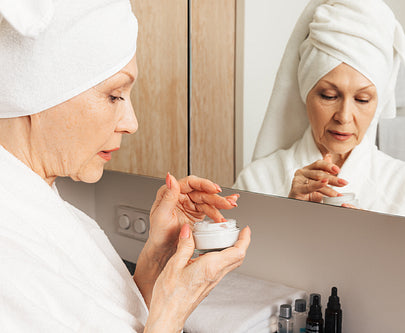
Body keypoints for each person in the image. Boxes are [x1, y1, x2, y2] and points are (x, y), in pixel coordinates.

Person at [0, 1, 250, 332]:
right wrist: (172, 314)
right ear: (39, 92)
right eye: (115, 95)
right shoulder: (10, 259)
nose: (131, 123)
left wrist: (155, 260)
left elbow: (111, 317)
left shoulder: (60, 217)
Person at [234, 0, 405, 223]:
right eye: (329, 96)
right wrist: (287, 218)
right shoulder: (257, 181)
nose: (344, 117)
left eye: (362, 99)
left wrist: (380, 243)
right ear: (305, 92)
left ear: (379, 101)